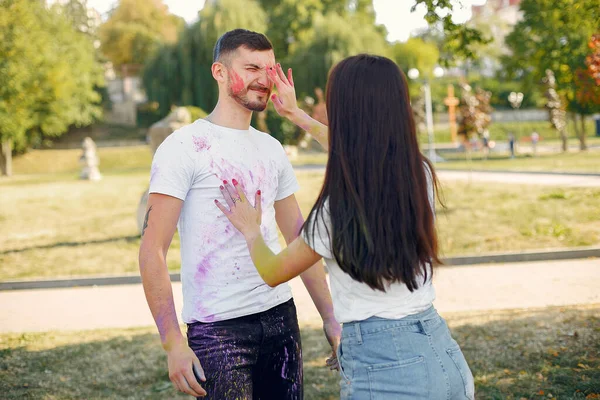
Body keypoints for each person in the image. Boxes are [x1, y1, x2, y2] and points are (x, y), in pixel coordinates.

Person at [216, 54, 475, 399]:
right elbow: (362, 152)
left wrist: (251, 230)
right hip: (444, 356)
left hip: (386, 368)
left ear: (346, 111)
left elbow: (274, 271)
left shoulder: (338, 211)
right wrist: (296, 115)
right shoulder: (419, 173)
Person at [138, 29, 340, 399]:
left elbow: (300, 238)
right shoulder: (183, 147)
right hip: (218, 330)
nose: (264, 79)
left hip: (281, 317)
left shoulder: (272, 148)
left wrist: (330, 316)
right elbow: (152, 250)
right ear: (219, 71)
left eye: (269, 68)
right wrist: (172, 343)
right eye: (251, 67)